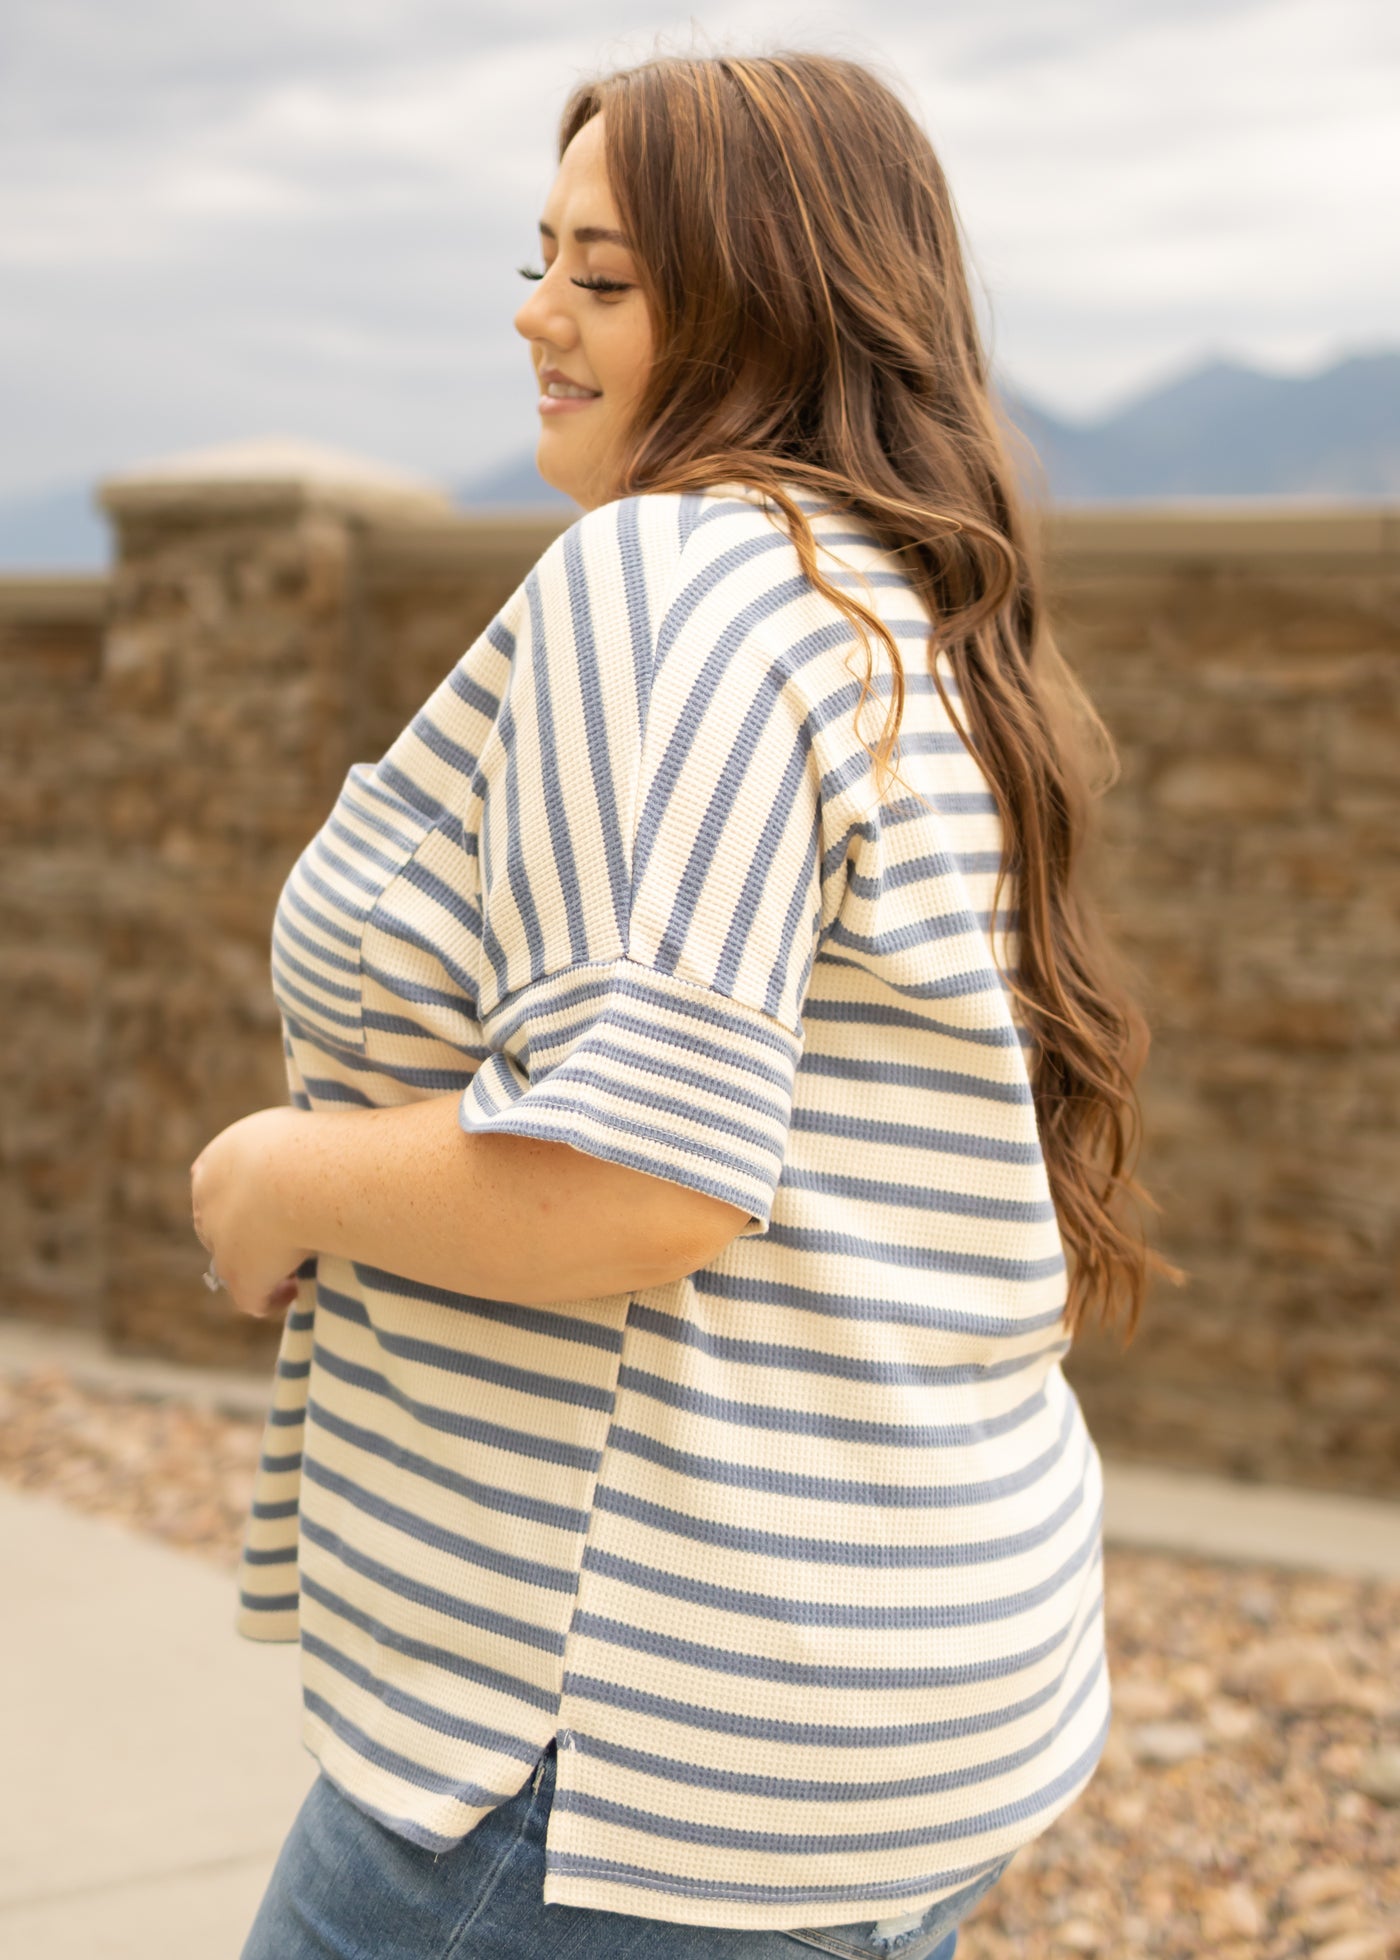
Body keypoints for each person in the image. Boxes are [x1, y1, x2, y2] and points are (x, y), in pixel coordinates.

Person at [194, 46, 1176, 1960]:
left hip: (612, 1748)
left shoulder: (668, 580)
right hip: (892, 1690)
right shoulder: (901, 600)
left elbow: (634, 1187)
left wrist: (281, 1172)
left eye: (607, 278)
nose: (534, 315)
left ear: (770, 298)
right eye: (541, 256)